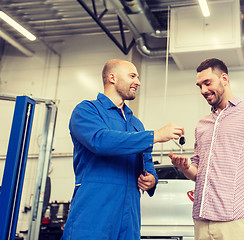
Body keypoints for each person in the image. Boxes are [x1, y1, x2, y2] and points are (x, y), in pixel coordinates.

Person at [62, 59, 184, 240]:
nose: (138, 82)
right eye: (132, 76)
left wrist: (152, 180)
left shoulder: (136, 124)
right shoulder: (87, 110)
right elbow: (100, 141)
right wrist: (155, 136)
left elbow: (147, 163)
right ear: (112, 78)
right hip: (95, 210)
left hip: (129, 215)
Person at [169, 58, 244, 240]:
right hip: (201, 223)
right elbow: (197, 174)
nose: (203, 90)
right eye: (199, 86)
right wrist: (185, 167)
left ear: (224, 79)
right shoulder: (202, 125)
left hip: (236, 223)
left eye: (207, 83)